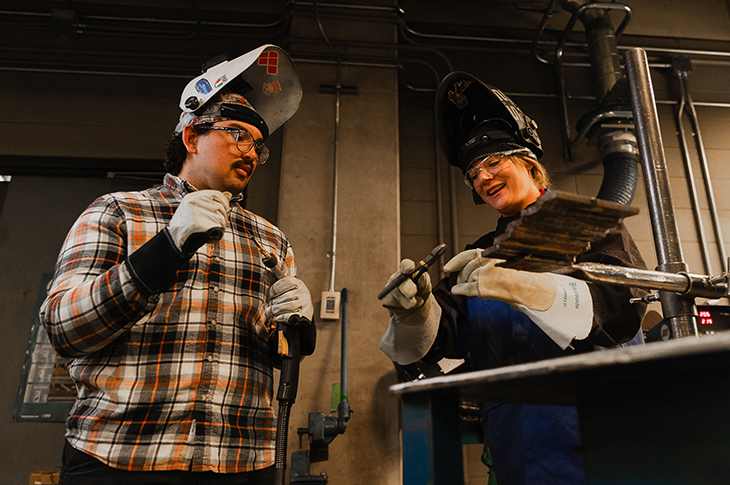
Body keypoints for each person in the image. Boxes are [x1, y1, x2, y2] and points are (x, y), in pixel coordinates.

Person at [40, 44, 315, 484]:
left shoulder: (269, 239)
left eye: (259, 145)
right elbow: (63, 329)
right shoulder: (117, 212)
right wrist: (165, 247)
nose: (251, 153)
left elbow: (279, 360)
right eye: (238, 135)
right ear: (191, 137)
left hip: (240, 464)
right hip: (121, 459)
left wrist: (297, 328)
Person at [379, 71, 647, 485]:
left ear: (528, 162)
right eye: (473, 172)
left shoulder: (591, 226)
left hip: (599, 436)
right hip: (514, 448)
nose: (482, 177)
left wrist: (528, 287)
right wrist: (416, 312)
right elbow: (446, 341)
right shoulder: (480, 257)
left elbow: (620, 307)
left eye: (493, 161)